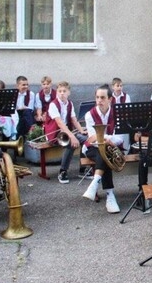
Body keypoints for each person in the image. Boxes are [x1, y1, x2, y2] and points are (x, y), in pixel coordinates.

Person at [81, 85, 124, 213]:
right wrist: (108, 138)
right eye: (97, 97)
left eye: (103, 97)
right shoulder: (89, 115)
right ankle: (110, 195)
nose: (99, 100)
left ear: (110, 99)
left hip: (112, 147)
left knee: (105, 154)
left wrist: (105, 139)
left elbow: (120, 138)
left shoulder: (118, 114)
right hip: (92, 148)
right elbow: (92, 138)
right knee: (104, 154)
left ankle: (95, 182)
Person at [43, 81, 88, 184]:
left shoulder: (70, 103)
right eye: (59, 91)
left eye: (64, 91)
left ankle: (83, 168)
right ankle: (63, 171)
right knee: (70, 142)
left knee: (86, 140)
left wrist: (81, 130)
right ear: (57, 92)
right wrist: (72, 136)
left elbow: (74, 120)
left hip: (66, 132)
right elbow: (59, 123)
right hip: (54, 134)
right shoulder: (53, 104)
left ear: (69, 93)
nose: (62, 93)